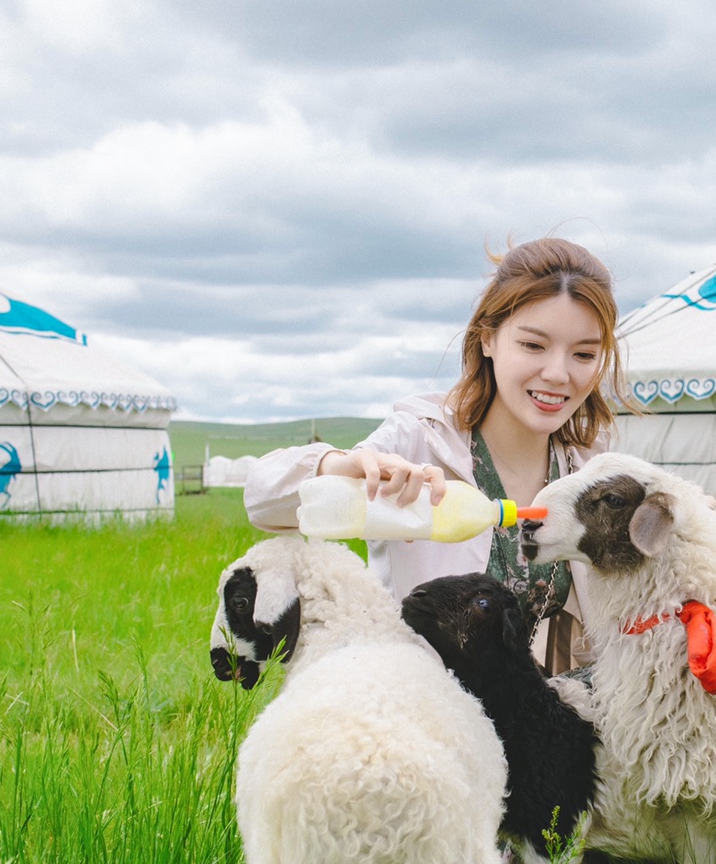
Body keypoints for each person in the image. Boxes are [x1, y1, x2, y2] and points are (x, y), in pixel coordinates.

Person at [245, 237, 626, 674]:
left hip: (545, 723)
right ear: (488, 339)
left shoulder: (589, 467)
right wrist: (335, 466)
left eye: (583, 354)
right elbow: (261, 498)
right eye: (533, 346)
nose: (558, 374)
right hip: (423, 715)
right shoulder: (420, 442)